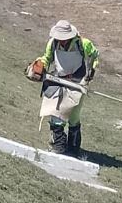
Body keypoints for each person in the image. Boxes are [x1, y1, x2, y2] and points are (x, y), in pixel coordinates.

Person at [26, 20, 99, 157]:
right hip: (59, 80)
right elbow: (47, 58)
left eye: (64, 39)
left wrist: (91, 71)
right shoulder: (53, 43)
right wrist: (40, 64)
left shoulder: (83, 44)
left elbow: (95, 56)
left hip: (79, 82)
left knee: (73, 117)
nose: (62, 41)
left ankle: (73, 149)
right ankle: (58, 146)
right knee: (56, 114)